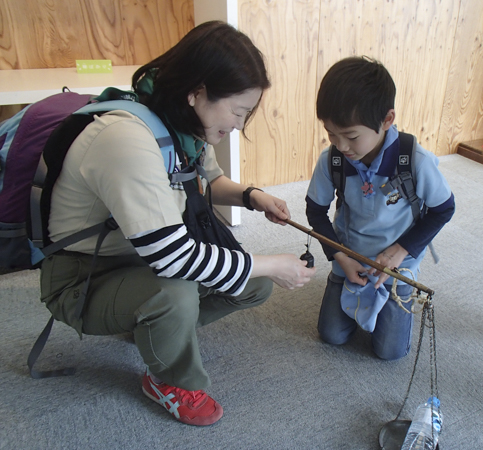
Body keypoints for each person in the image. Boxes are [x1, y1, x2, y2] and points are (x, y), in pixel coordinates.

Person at [40, 21, 315, 427]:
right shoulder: (126, 139)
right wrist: (274, 263)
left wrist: (251, 196)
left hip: (136, 260)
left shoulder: (182, 125)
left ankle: (152, 331)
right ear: (198, 91)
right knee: (178, 291)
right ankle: (169, 380)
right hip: (84, 276)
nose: (239, 125)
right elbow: (174, 259)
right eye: (238, 112)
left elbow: (207, 181)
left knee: (251, 283)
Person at [305, 56, 455, 360]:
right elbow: (315, 211)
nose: (341, 145)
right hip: (350, 260)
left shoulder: (415, 161)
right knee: (331, 335)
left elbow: (444, 209)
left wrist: (400, 252)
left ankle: (393, 307)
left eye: (351, 136)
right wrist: (341, 257)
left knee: (389, 353)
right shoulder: (332, 160)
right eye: (331, 133)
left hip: (398, 267)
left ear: (387, 120)